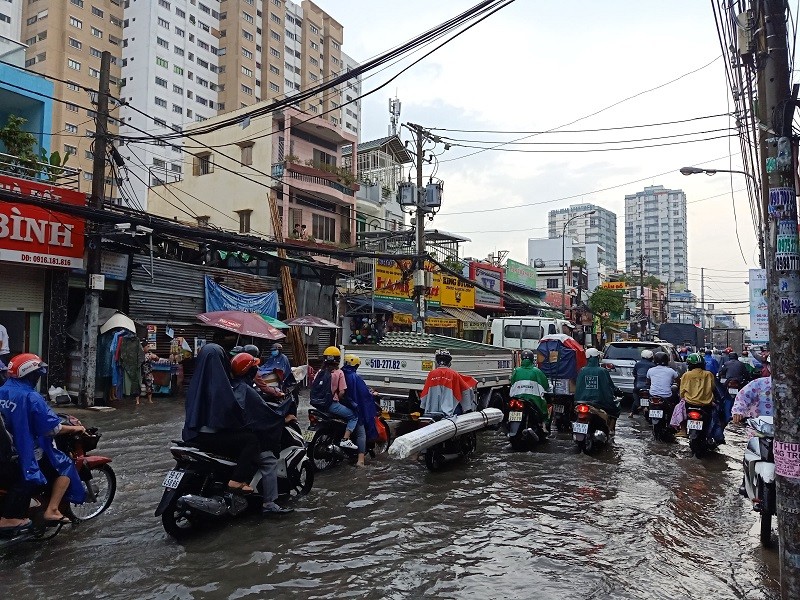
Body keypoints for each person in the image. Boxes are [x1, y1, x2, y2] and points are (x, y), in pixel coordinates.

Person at [0, 353, 86, 532]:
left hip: (5, 450)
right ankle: (51, 510)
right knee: (64, 466)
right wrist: (75, 429)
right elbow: (52, 429)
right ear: (32, 375)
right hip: (21, 453)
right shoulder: (31, 397)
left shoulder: (2, 390)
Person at [182, 343, 261, 494]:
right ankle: (237, 480)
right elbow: (230, 413)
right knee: (251, 440)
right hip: (211, 436)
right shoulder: (221, 385)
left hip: (192, 434)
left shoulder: (195, 384)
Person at [229, 352, 293, 515]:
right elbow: (265, 415)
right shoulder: (247, 391)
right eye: (254, 367)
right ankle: (269, 503)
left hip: (230, 433)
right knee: (269, 461)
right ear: (249, 371)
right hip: (245, 436)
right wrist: (283, 418)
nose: (257, 369)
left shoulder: (230, 386)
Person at [310, 346, 358, 450]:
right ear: (337, 359)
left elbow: (314, 386)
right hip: (331, 405)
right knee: (353, 416)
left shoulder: (320, 372)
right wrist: (339, 398)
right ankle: (345, 439)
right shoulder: (339, 372)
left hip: (317, 405)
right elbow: (342, 392)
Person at [342, 354, 379, 467]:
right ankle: (361, 460)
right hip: (352, 407)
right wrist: (371, 394)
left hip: (339, 406)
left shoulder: (339, 373)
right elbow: (364, 394)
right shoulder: (355, 377)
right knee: (361, 433)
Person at [574, 348, 621, 435]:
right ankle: (610, 430)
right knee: (616, 409)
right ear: (596, 358)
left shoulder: (582, 370)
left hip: (581, 401)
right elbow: (610, 386)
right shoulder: (602, 371)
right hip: (599, 402)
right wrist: (616, 391)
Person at [420, 349, 478, 416]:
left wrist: (423, 406)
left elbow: (425, 393)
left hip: (432, 411)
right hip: (450, 412)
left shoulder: (431, 374)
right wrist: (468, 408)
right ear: (449, 363)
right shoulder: (454, 374)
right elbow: (465, 390)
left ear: (437, 362)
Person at [508, 349, 550, 439]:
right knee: (543, 407)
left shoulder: (516, 370)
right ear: (532, 359)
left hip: (517, 398)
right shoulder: (536, 371)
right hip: (533, 400)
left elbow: (512, 382)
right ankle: (544, 427)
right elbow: (545, 385)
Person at [631, 349, 656, 417]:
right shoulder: (653, 365)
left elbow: (634, 373)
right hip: (649, 387)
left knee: (635, 393)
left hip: (638, 386)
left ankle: (635, 409)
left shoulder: (637, 364)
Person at [139, 341, 159, 405]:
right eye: (147, 347)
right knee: (138, 386)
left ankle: (150, 400)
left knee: (149, 386)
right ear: (143, 347)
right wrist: (147, 358)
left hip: (148, 372)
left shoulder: (150, 353)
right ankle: (137, 401)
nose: (148, 348)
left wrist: (155, 357)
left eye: (149, 347)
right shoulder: (139, 353)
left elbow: (157, 359)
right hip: (140, 372)